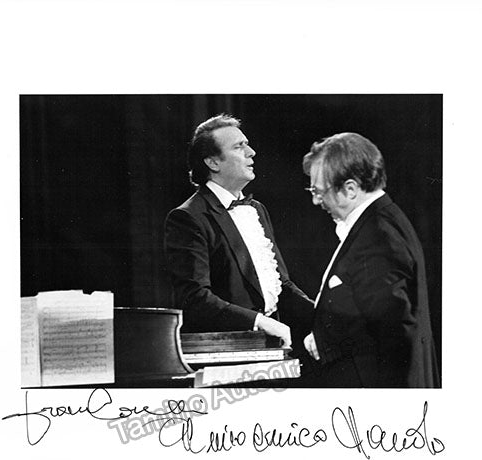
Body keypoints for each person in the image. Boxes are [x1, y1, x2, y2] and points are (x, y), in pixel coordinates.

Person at [302, 132, 440, 387]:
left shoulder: (378, 237)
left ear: (350, 189)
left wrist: (325, 341)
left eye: (319, 192)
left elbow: (393, 335)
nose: (315, 200)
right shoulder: (377, 222)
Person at [164, 114, 313, 347]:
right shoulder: (188, 217)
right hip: (226, 348)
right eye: (238, 147)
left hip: (272, 345)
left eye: (247, 144)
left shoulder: (257, 209)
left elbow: (280, 284)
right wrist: (258, 322)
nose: (251, 152)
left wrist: (324, 314)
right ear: (213, 163)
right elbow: (194, 299)